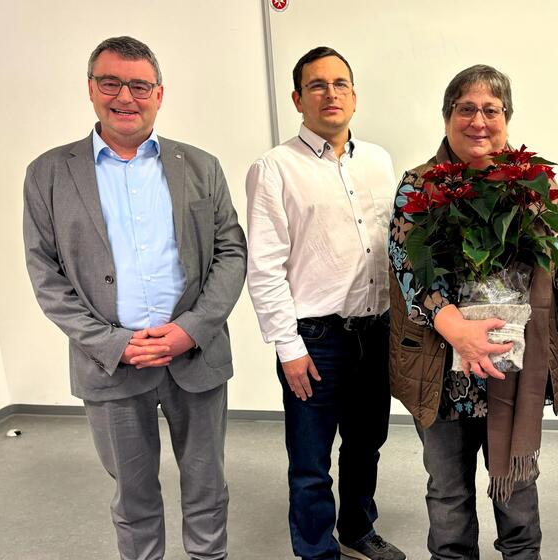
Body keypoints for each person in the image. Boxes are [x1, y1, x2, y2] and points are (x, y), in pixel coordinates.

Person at [22, 36, 247, 560]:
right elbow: (45, 274)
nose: (126, 96)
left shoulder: (200, 166)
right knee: (134, 496)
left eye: (139, 84)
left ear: (159, 94)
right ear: (91, 89)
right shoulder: (49, 173)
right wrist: (113, 343)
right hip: (111, 367)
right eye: (111, 82)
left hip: (196, 355)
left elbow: (231, 253)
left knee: (208, 489)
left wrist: (192, 328)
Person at [388, 64, 558, 560]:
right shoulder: (418, 186)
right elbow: (411, 274)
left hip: (515, 363)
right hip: (444, 370)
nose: (479, 120)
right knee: (447, 494)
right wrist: (461, 334)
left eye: (491, 109)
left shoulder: (533, 183)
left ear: (507, 117)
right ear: (447, 116)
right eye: (465, 108)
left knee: (517, 493)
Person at [245, 46, 404, 560]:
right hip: (315, 338)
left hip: (376, 330)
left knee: (366, 445)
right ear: (297, 98)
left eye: (340, 84)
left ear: (354, 96)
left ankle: (357, 528)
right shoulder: (274, 168)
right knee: (311, 460)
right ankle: (316, 551)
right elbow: (264, 266)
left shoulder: (379, 161)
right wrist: (286, 347)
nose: (329, 94)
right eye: (317, 85)